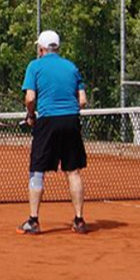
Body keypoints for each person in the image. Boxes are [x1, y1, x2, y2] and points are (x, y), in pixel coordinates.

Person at [18, 29, 88, 235]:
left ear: (41, 48)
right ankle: (79, 220)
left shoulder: (35, 66)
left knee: (37, 170)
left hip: (47, 121)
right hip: (71, 121)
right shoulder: (72, 67)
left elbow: (30, 98)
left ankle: (33, 221)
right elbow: (82, 100)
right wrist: (67, 111)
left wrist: (30, 115)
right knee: (73, 171)